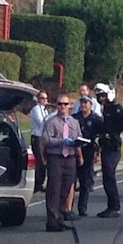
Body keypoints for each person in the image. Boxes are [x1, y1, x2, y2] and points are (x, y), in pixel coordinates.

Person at [42, 93, 83, 232]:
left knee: (66, 189)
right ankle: (52, 221)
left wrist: (79, 150)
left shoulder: (74, 122)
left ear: (70, 106)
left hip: (70, 158)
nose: (63, 107)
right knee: (54, 189)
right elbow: (46, 140)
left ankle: (60, 217)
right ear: (56, 105)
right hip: (56, 157)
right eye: (60, 104)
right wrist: (61, 141)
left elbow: (79, 138)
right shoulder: (51, 121)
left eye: (65, 104)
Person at [95, 83, 123, 218]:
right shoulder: (105, 109)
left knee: (109, 175)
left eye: (103, 95)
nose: (100, 98)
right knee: (107, 176)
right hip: (106, 145)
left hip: (113, 146)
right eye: (98, 96)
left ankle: (114, 206)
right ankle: (112, 206)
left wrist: (113, 132)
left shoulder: (115, 108)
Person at [72, 95, 103, 216]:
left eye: (86, 103)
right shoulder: (75, 118)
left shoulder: (96, 119)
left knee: (85, 182)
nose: (83, 105)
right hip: (75, 151)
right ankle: (68, 207)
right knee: (71, 181)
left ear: (91, 104)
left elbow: (100, 138)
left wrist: (98, 153)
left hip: (89, 151)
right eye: (82, 102)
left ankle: (82, 208)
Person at [29, 90, 49, 193]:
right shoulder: (36, 109)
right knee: (40, 160)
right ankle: (37, 184)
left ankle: (41, 182)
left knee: (44, 160)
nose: (45, 100)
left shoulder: (45, 110)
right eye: (42, 98)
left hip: (44, 137)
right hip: (37, 137)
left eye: (46, 98)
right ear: (38, 99)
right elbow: (43, 122)